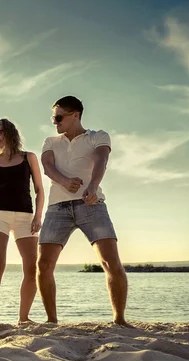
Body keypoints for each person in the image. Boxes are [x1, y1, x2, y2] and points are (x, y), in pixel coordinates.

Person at [38, 96, 128, 325]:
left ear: (75, 115)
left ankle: (119, 320)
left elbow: (101, 160)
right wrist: (65, 181)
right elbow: (48, 167)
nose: (54, 122)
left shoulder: (98, 136)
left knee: (110, 262)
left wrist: (93, 187)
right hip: (57, 208)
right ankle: (51, 321)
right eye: (53, 118)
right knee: (43, 264)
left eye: (59, 117)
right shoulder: (50, 141)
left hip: (92, 205)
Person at [0, 118, 44, 325]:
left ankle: (23, 318)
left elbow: (39, 190)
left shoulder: (29, 157)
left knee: (31, 267)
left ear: (10, 132)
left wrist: (38, 217)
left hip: (25, 216)